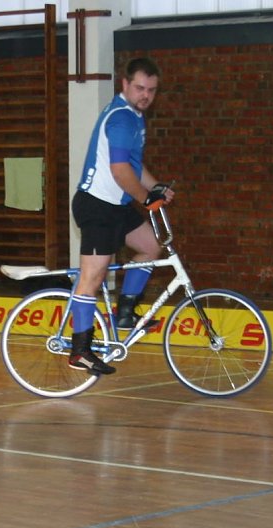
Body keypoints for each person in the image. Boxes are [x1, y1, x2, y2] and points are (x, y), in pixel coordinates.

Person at [69, 57, 174, 375]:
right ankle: (80, 350)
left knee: (150, 247)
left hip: (115, 207)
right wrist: (146, 199)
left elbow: (133, 165)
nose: (146, 96)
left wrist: (156, 187)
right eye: (140, 88)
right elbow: (119, 171)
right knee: (93, 276)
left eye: (152, 90)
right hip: (96, 207)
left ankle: (125, 312)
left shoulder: (134, 117)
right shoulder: (121, 119)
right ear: (124, 84)